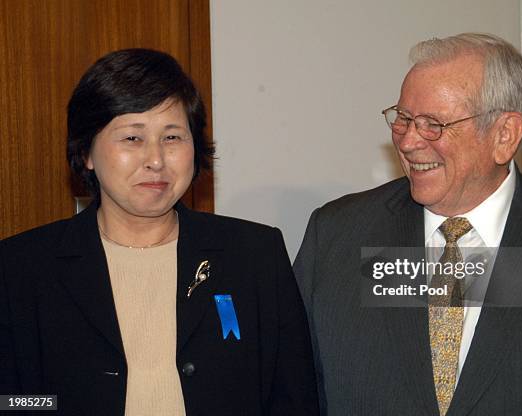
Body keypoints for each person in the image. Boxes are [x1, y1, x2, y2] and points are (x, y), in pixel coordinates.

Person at [294, 33, 522, 415]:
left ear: (504, 135)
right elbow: (293, 392)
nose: (409, 142)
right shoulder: (337, 236)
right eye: (404, 119)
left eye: (433, 125)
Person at [0, 49, 319, 415]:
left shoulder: (254, 254)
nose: (155, 159)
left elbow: (293, 398)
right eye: (132, 138)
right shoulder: (21, 267)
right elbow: (13, 401)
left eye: (172, 138)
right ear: (87, 152)